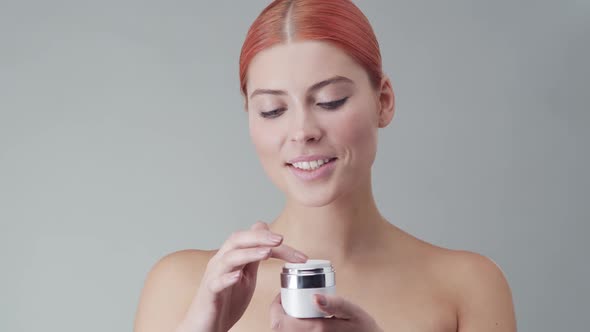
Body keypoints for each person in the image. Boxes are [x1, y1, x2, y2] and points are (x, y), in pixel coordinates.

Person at [134, 0, 517, 331]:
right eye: (273, 110)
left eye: (331, 101)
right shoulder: (184, 287)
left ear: (383, 101)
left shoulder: (468, 288)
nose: (302, 131)